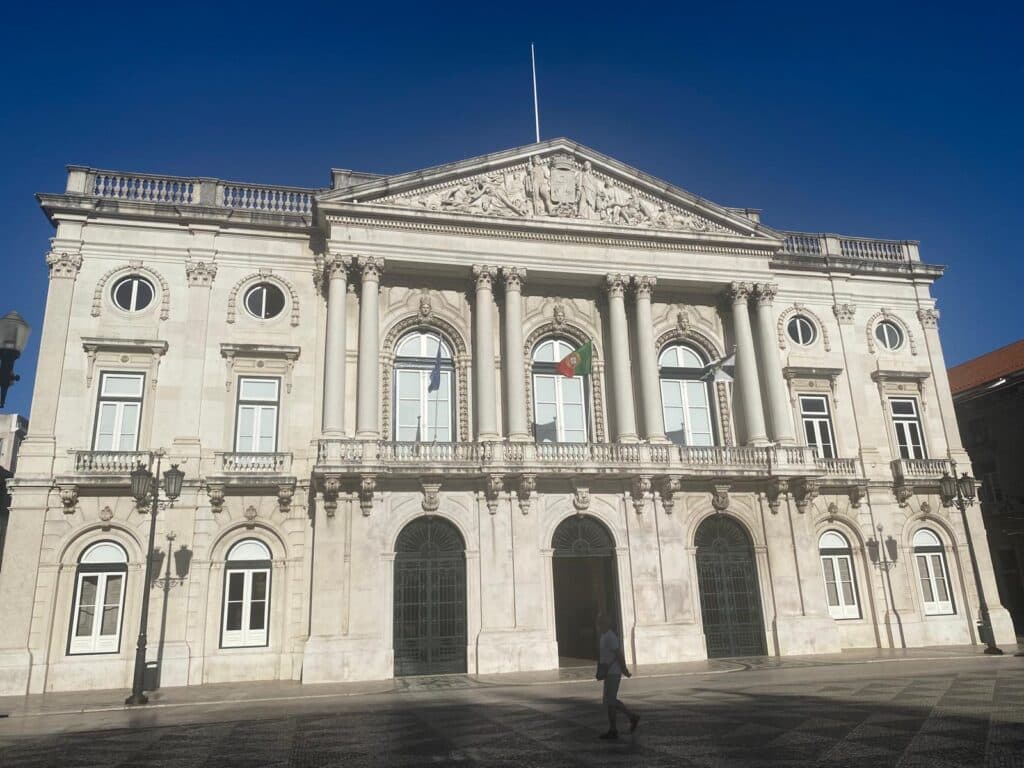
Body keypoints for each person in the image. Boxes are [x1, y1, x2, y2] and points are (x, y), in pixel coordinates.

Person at [596, 613, 639, 740]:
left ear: (604, 624)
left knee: (610, 701)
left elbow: (618, 654)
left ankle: (615, 728)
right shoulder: (603, 636)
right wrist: (600, 670)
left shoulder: (610, 636)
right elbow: (603, 656)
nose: (598, 625)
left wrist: (624, 669)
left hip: (613, 672)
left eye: (600, 623)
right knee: (609, 701)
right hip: (608, 672)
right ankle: (630, 718)